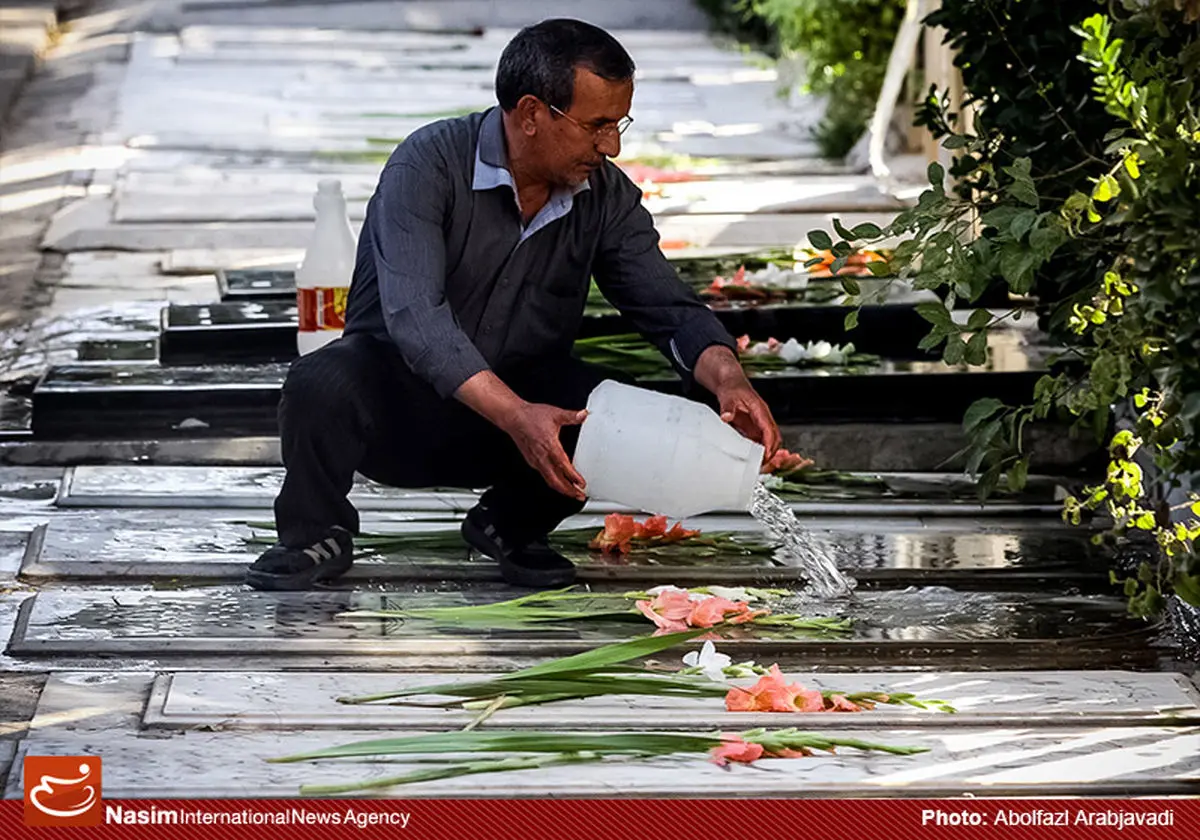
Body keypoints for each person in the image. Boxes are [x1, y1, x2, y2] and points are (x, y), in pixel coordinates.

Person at [244, 18, 781, 592]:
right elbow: (416, 320)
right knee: (320, 380)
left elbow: (669, 308)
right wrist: (515, 416)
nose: (612, 146)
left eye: (619, 124)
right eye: (596, 126)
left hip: (528, 428)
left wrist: (729, 380)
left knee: (613, 406)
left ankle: (509, 524)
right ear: (531, 114)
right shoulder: (426, 167)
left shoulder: (605, 197)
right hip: (398, 411)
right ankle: (313, 532)